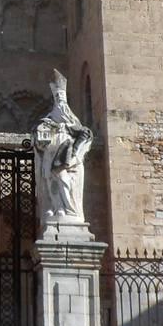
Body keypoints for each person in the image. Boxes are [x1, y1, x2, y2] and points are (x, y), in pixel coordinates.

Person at [33, 70, 93, 228]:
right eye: (57, 96)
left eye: (61, 96)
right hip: (50, 153)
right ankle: (57, 207)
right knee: (49, 178)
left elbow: (85, 133)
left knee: (63, 178)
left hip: (66, 154)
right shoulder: (48, 119)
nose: (60, 99)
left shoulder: (72, 120)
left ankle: (69, 209)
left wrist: (75, 150)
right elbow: (39, 133)